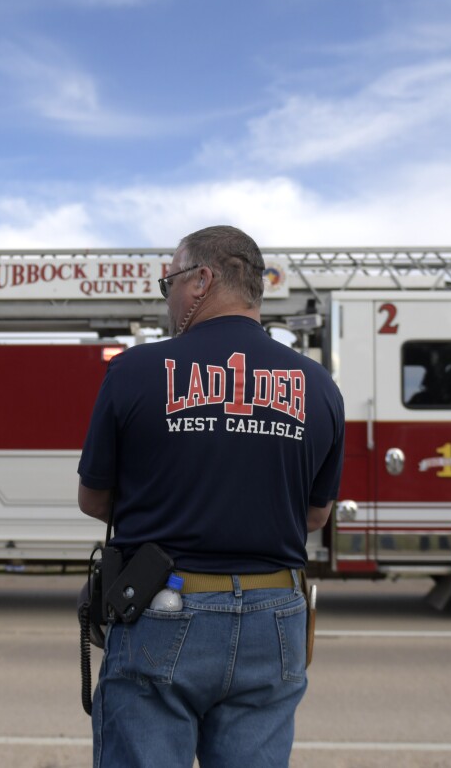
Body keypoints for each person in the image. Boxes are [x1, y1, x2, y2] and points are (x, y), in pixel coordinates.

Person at [77, 226, 345, 767]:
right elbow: (316, 514)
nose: (167, 297)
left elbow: (94, 500)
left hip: (163, 606)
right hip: (276, 613)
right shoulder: (319, 386)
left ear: (202, 280)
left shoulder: (134, 371)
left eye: (168, 283)